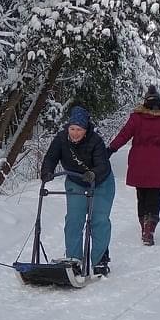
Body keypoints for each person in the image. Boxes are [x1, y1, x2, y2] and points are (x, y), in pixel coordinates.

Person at [41, 104, 115, 276]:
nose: (75, 133)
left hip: (101, 182)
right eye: (72, 128)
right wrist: (46, 171)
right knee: (74, 220)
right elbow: (51, 157)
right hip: (76, 181)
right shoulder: (61, 139)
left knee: (99, 220)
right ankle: (74, 260)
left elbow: (102, 165)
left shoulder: (95, 141)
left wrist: (93, 174)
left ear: (86, 129)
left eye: (79, 129)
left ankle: (100, 259)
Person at [107, 85, 160, 246]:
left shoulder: (137, 117)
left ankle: (144, 226)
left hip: (138, 161)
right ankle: (150, 228)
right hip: (159, 162)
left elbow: (124, 135)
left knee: (142, 196)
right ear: (159, 102)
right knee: (155, 197)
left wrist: (110, 149)